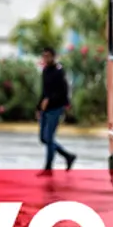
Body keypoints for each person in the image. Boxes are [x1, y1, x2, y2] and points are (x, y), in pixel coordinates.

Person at [37, 47, 77, 176]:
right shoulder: (45, 71)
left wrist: (50, 100)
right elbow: (44, 91)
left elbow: (63, 92)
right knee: (43, 138)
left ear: (54, 57)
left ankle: (48, 168)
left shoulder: (59, 72)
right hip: (45, 109)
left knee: (49, 138)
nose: (46, 59)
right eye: (44, 56)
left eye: (48, 56)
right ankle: (68, 155)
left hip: (55, 108)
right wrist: (38, 107)